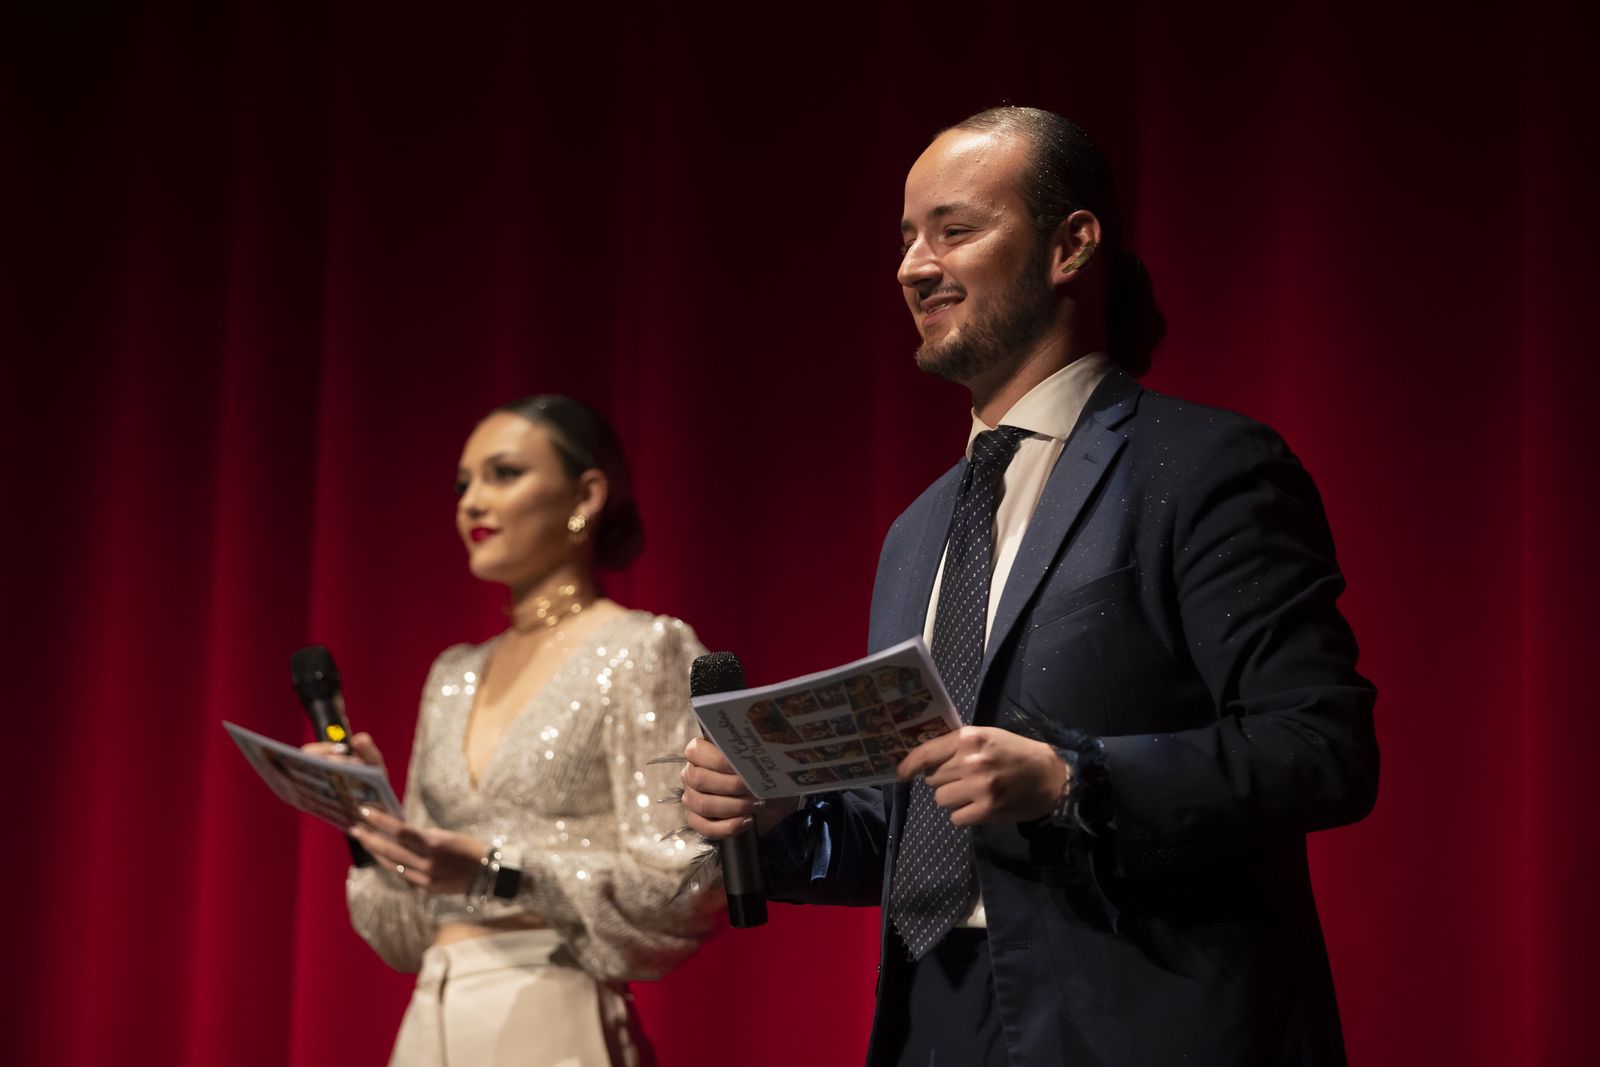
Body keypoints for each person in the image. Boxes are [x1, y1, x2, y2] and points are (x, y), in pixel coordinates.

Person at [681, 106, 1378, 1066]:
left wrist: (1069, 779)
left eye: (955, 230)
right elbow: (919, 823)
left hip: (1144, 1022)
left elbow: (1320, 747)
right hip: (937, 1018)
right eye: (906, 240)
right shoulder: (916, 530)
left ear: (1070, 246)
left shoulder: (1203, 466)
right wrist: (778, 818)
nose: (914, 267)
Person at [308, 395, 721, 1067]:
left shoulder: (644, 647)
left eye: (503, 474)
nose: (472, 501)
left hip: (551, 1013)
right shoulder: (452, 675)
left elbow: (683, 885)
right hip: (430, 1016)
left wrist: (498, 872)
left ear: (586, 494)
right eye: (463, 484)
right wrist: (363, 823)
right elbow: (406, 929)